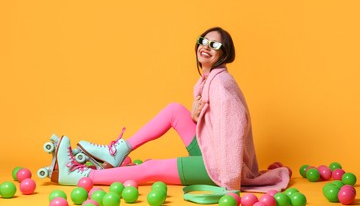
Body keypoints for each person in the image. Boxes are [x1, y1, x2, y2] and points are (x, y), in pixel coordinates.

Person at [48, 27, 291, 192]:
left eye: (214, 44)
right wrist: (196, 116)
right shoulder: (208, 80)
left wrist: (230, 183)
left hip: (219, 167)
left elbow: (234, 129)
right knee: (175, 110)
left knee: (151, 168)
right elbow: (215, 124)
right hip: (212, 151)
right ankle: (118, 152)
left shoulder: (220, 85)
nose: (205, 46)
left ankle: (78, 175)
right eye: (203, 41)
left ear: (224, 53)